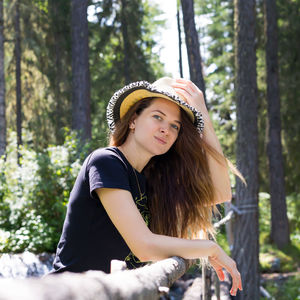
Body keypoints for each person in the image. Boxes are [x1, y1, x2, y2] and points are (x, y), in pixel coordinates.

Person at [50, 77, 243, 296]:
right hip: (70, 294)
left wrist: (204, 118)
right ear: (133, 120)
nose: (166, 129)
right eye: (157, 117)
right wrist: (210, 248)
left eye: (174, 126)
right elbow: (143, 247)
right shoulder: (106, 162)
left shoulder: (154, 183)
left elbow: (221, 192)